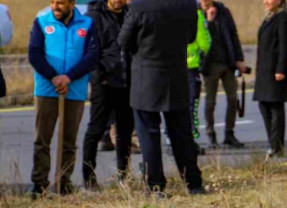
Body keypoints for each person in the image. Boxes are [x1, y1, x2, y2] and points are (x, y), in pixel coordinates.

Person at [119, 0, 205, 196]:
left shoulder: (139, 7)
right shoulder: (188, 5)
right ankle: (193, 182)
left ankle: (155, 184)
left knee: (148, 133)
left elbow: (123, 41)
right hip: (176, 75)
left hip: (145, 77)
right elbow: (191, 37)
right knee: (182, 134)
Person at [28, 0, 98, 197]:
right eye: (52, 2)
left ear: (71, 3)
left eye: (60, 2)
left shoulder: (87, 24)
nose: (55, 6)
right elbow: (34, 54)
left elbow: (92, 55)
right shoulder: (41, 22)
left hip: (74, 90)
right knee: (42, 139)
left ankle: (63, 184)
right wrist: (53, 76)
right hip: (46, 89)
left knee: (68, 141)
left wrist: (69, 77)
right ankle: (39, 185)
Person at [81, 0, 133, 190]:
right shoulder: (94, 17)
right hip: (103, 82)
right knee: (96, 129)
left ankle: (123, 176)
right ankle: (88, 179)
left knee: (125, 131)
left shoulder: (131, 14)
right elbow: (88, 52)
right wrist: (99, 77)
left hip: (127, 82)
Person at [200, 0, 246, 149]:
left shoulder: (223, 11)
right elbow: (198, 36)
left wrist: (239, 58)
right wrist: (209, 21)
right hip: (209, 64)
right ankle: (210, 134)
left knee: (233, 99)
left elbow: (233, 35)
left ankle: (229, 133)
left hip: (227, 62)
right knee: (210, 101)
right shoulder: (196, 12)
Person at [255, 0, 287, 158]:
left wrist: (280, 69)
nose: (266, 2)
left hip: (275, 70)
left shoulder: (283, 18)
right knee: (264, 105)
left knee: (275, 106)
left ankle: (277, 147)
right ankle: (273, 143)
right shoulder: (269, 17)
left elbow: (285, 46)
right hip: (264, 70)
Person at [187, 3, 211, 149]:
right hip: (191, 66)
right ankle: (191, 140)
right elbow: (204, 42)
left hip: (171, 66)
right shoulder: (195, 13)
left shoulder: (166, 10)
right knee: (191, 105)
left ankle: (172, 139)